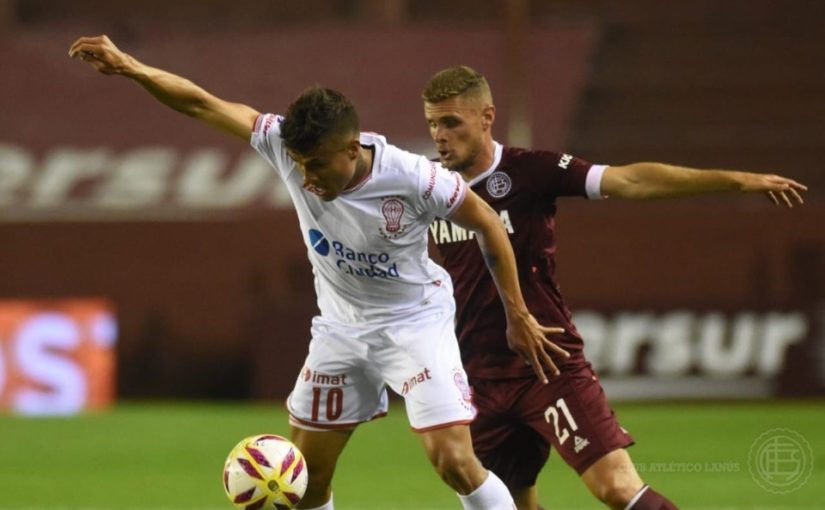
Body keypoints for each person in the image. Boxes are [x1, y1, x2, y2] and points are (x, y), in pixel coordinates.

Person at [68, 35, 572, 510]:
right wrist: (131, 67)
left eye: (316, 165)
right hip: (340, 330)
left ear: (352, 150)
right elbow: (202, 103)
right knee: (305, 480)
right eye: (298, 164)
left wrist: (518, 313)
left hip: (414, 325)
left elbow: (488, 223)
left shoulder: (415, 178)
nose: (306, 178)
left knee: (456, 463)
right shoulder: (282, 144)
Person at [421, 65, 807, 510]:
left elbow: (631, 180)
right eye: (432, 123)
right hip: (478, 377)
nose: (439, 135)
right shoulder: (427, 187)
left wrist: (735, 180)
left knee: (618, 489)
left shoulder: (531, 172)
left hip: (547, 366)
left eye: (451, 122)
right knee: (508, 505)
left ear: (486, 117)